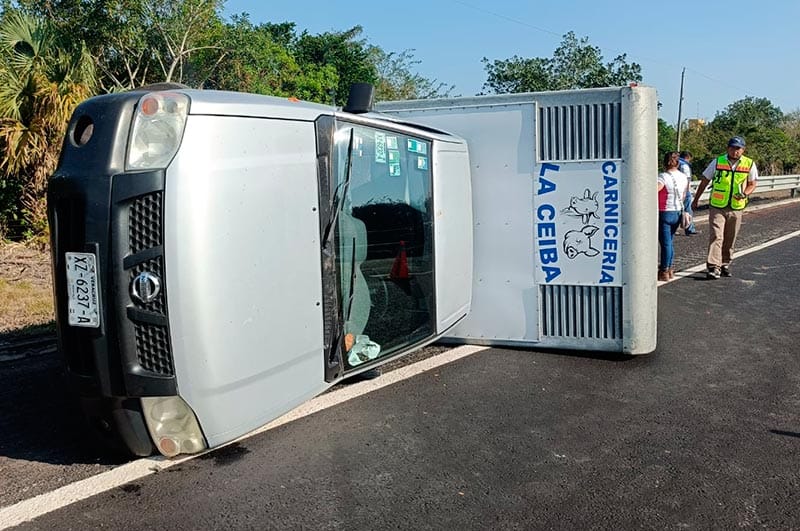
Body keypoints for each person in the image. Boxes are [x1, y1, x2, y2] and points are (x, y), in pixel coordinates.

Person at [691, 136, 758, 279]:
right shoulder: (717, 161)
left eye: (738, 148)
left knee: (730, 236)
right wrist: (696, 199)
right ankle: (713, 266)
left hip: (736, 206)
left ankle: (725, 263)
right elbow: (705, 180)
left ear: (743, 150)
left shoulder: (749, 164)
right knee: (717, 235)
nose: (735, 151)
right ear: (728, 148)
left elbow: (752, 183)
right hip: (717, 205)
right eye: (733, 148)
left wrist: (744, 194)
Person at [657, 151, 689, 281]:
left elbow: (654, 190)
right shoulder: (683, 177)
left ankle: (664, 270)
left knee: (665, 244)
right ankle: (669, 268)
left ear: (664, 162)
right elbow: (684, 195)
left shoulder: (662, 177)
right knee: (669, 242)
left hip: (665, 211)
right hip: (677, 212)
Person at [678, 150, 699, 235]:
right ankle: (690, 229)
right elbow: (687, 179)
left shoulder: (676, 163)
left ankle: (674, 229)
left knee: (676, 210)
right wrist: (687, 192)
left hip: (675, 191)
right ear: (688, 157)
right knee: (688, 210)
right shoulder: (685, 166)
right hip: (684, 191)